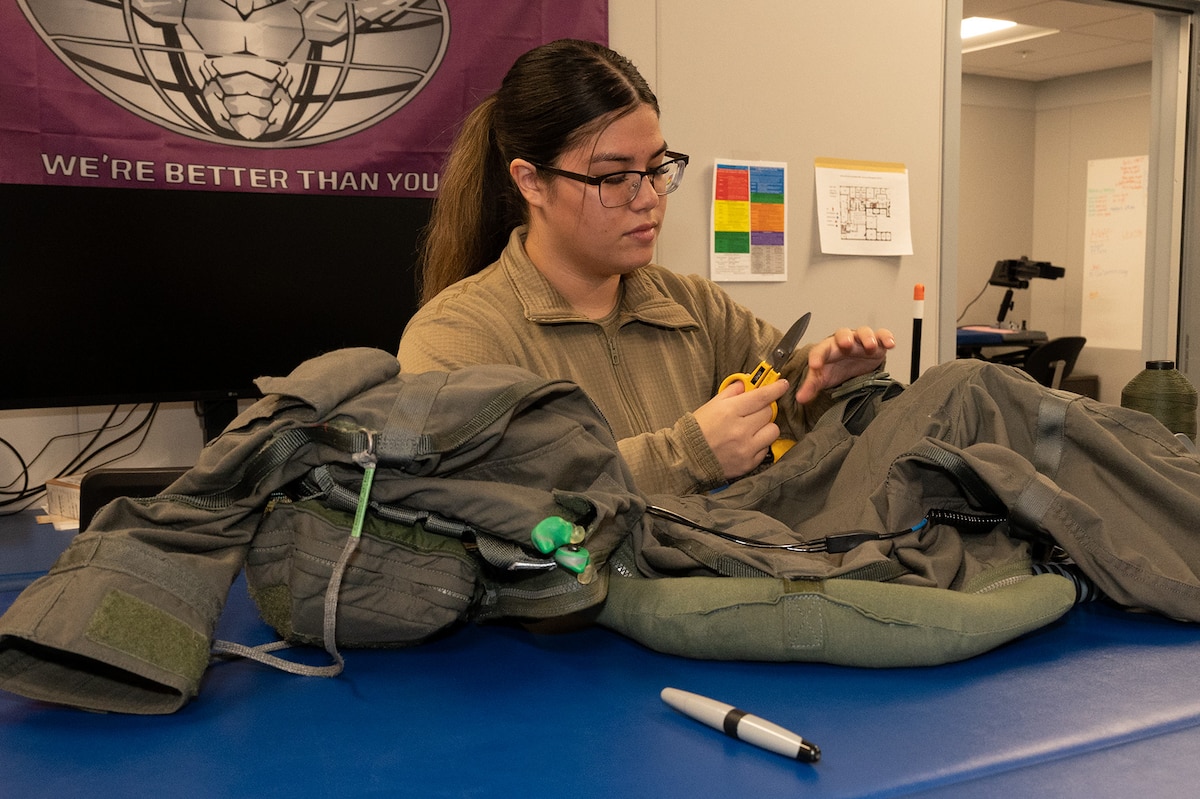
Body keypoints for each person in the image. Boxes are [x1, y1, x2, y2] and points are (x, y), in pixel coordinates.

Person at [398, 38, 894, 496]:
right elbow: (479, 495)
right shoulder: (457, 335)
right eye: (614, 178)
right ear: (531, 182)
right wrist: (688, 455)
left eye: (657, 169)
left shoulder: (692, 306)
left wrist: (826, 382)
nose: (650, 199)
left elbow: (785, 397)